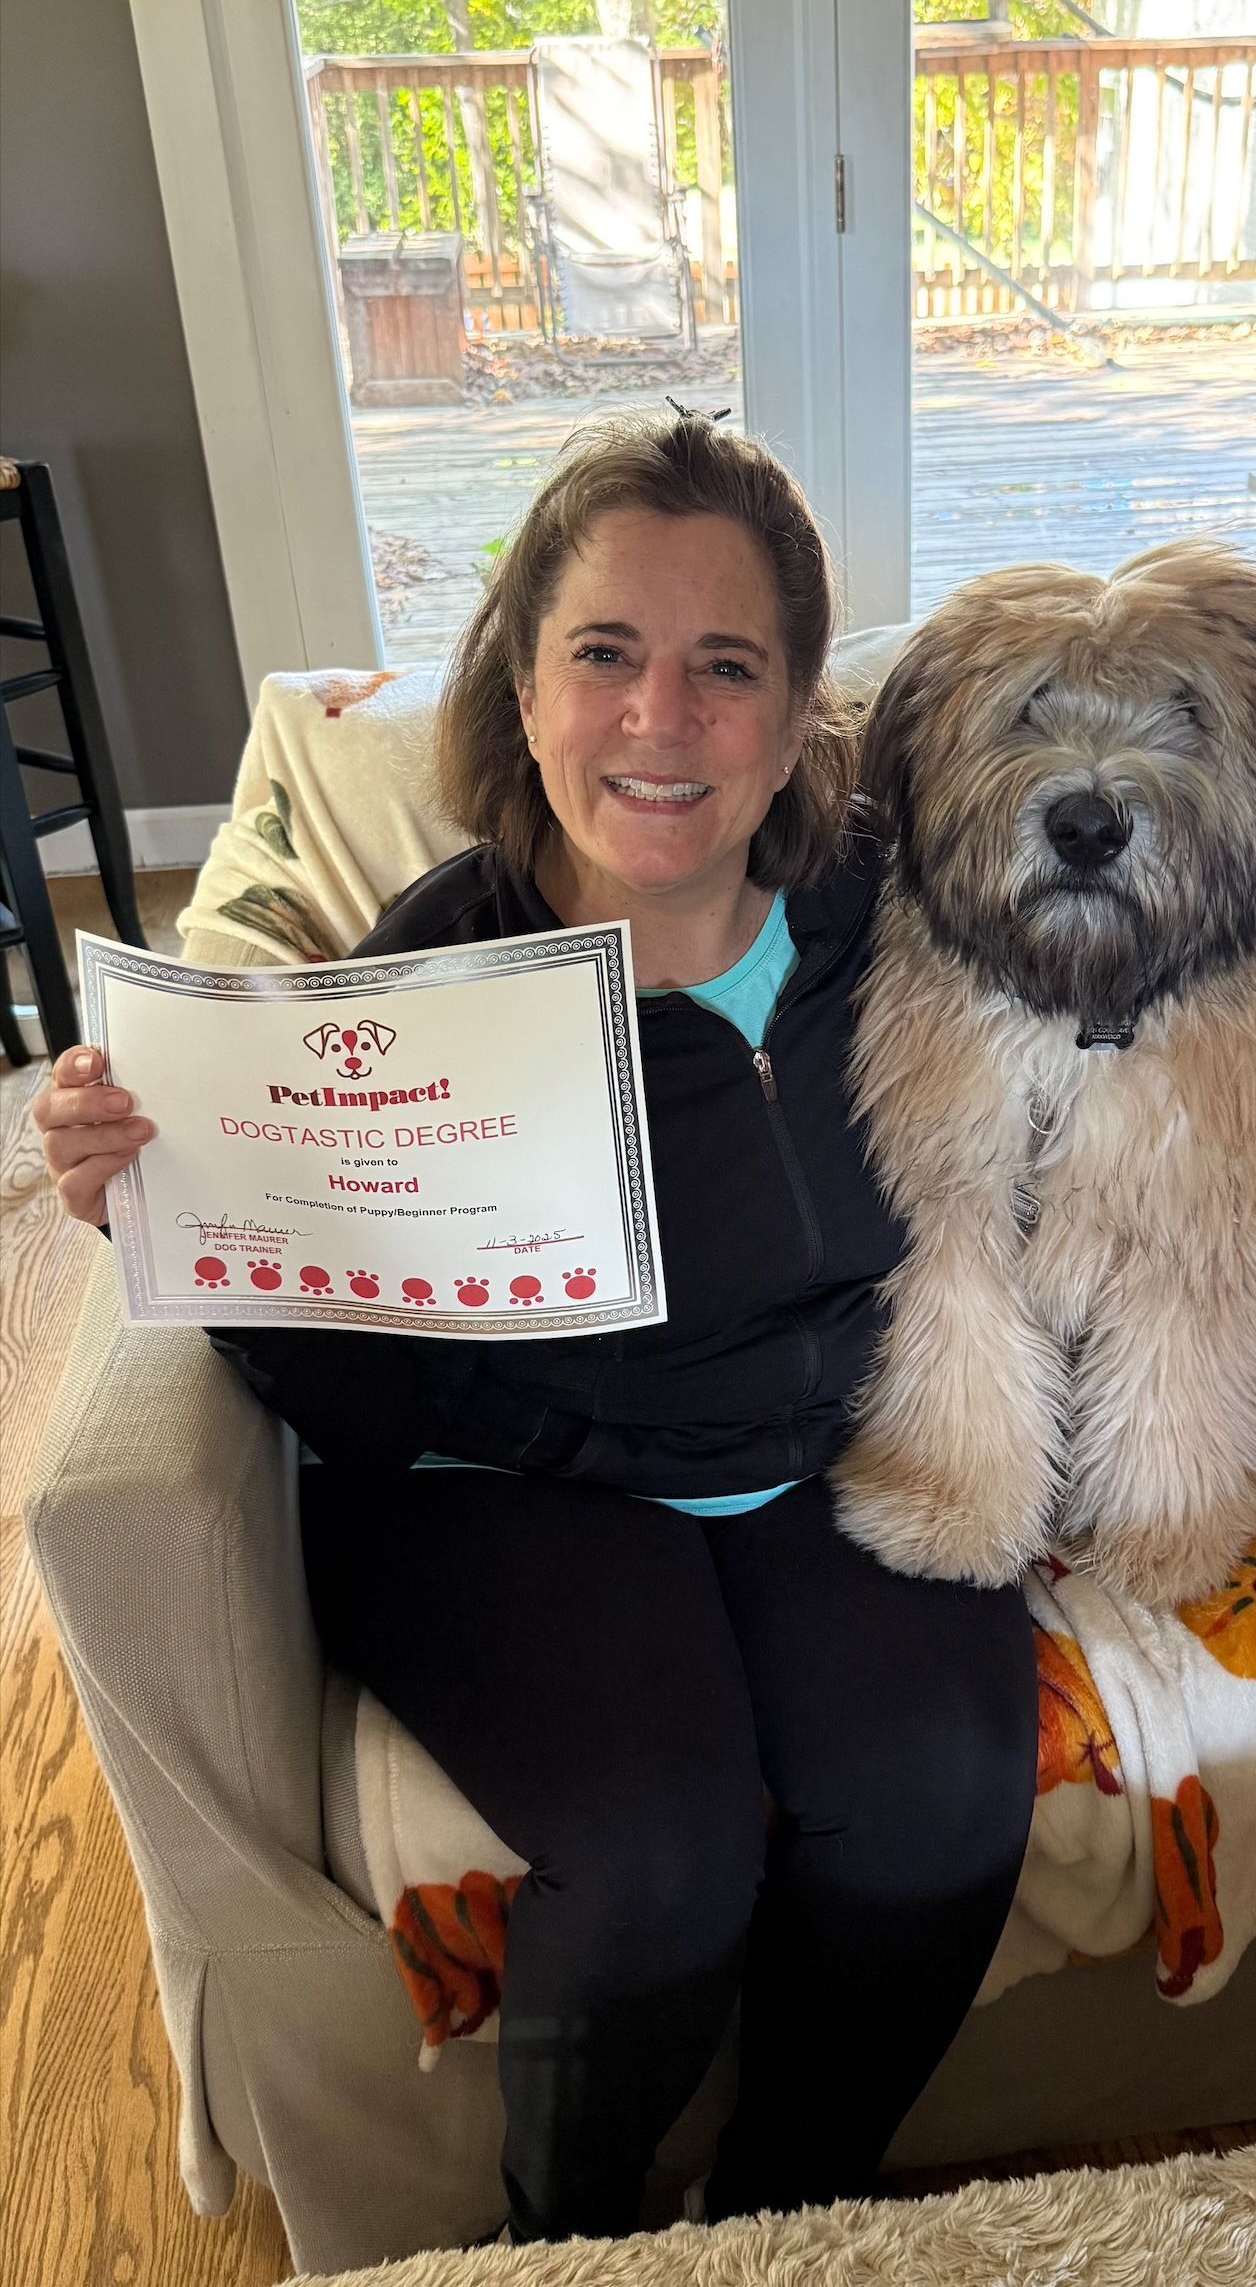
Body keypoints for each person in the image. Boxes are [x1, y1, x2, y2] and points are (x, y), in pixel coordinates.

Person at [32, 410, 1039, 2245]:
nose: (661, 721)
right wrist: (161, 1193)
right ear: (522, 676)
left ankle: (795, 2218)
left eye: (724, 667)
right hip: (509, 1484)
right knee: (660, 1861)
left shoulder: (890, 911)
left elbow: (1125, 1007)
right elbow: (319, 1343)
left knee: (944, 1803)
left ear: (799, 701)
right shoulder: (429, 971)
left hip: (826, 1452)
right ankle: (565, 2253)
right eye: (605, 654)